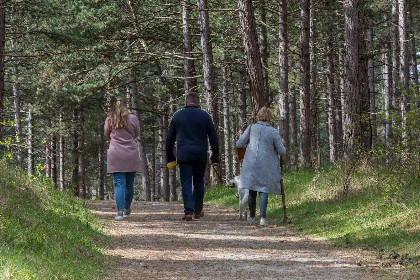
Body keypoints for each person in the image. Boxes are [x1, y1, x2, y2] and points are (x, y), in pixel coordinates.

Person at [166, 93, 219, 221]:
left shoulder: (177, 115)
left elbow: (169, 140)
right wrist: (215, 157)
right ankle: (197, 210)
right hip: (200, 154)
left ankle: (188, 211)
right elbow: (214, 138)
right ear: (198, 103)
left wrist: (170, 157)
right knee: (199, 182)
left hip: (184, 155)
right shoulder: (205, 116)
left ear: (186, 102)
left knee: (186, 183)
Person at [236, 106, 286, 227]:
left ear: (258, 116)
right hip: (267, 165)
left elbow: (239, 143)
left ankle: (252, 217)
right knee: (264, 190)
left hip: (250, 164)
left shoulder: (251, 128)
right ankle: (263, 218)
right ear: (270, 118)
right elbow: (282, 151)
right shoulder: (273, 131)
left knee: (252, 189)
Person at [104, 97, 141, 221]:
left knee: (119, 183)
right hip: (131, 153)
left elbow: (106, 134)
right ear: (126, 106)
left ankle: (119, 212)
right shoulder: (133, 118)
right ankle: (127, 209)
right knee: (129, 184)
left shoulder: (110, 119)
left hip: (116, 154)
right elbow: (136, 134)